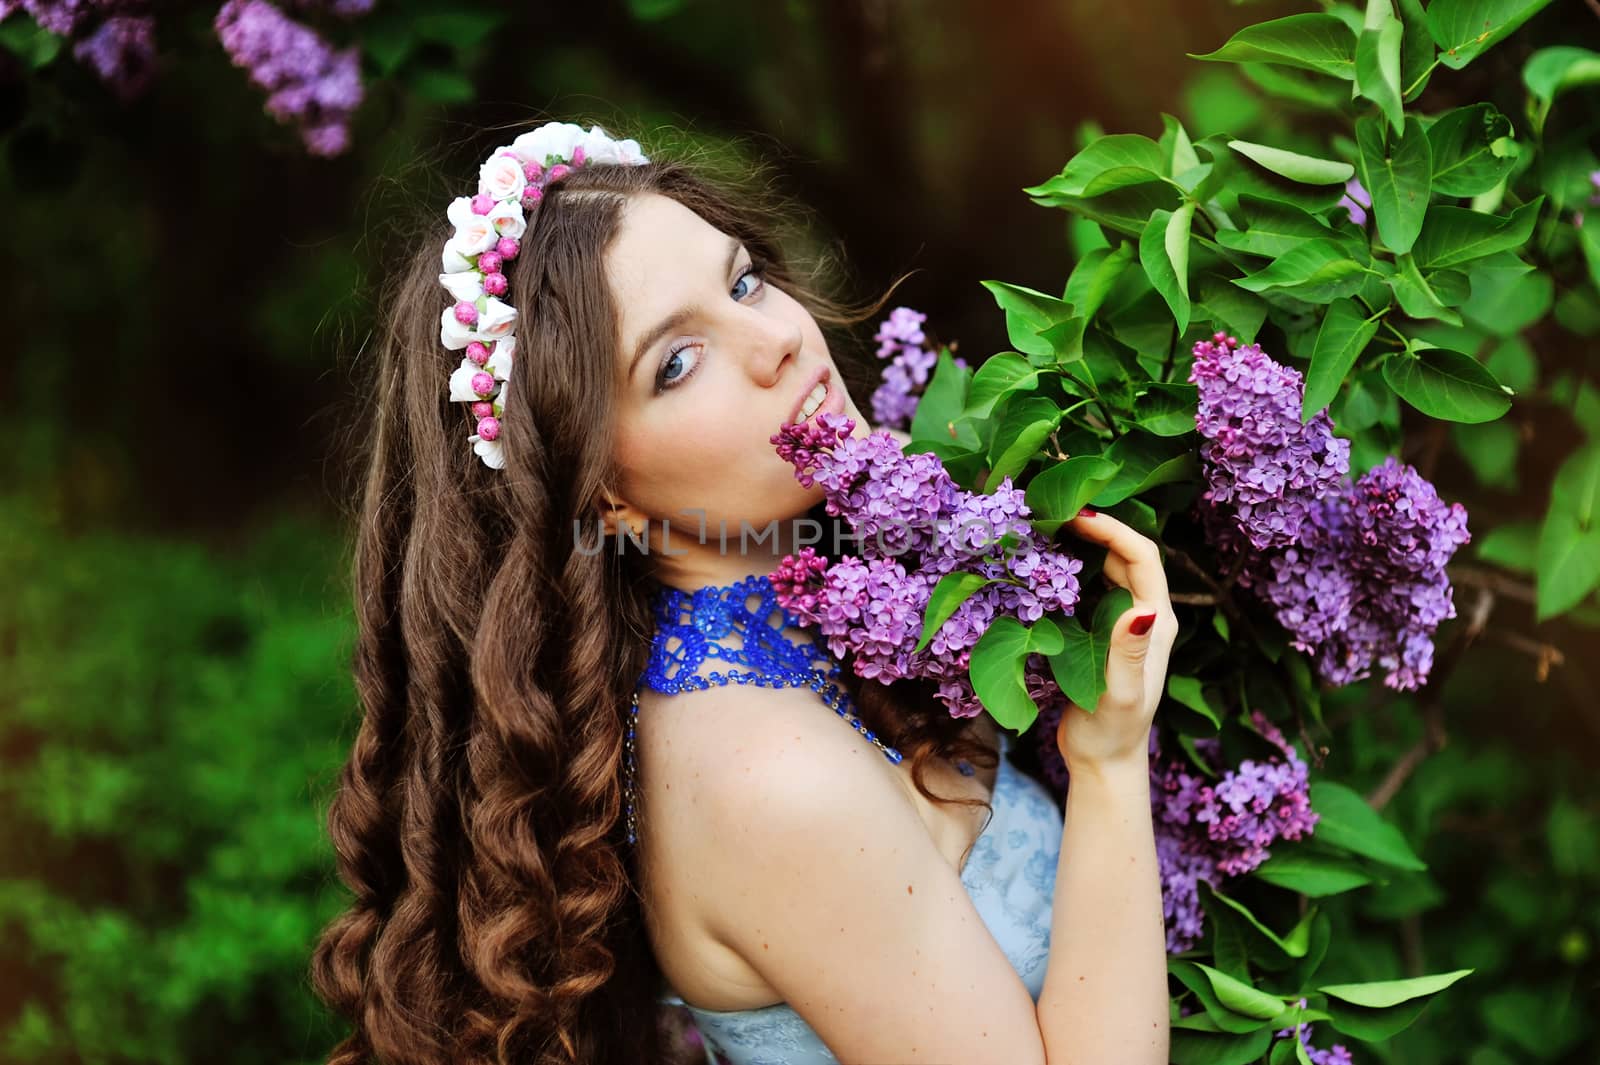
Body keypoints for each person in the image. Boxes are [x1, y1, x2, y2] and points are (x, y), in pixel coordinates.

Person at [311, 119, 1177, 1065]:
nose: (776, 341)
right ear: (599, 488)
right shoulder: (769, 778)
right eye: (676, 363)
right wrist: (1107, 761)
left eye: (744, 281)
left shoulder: (820, 594)